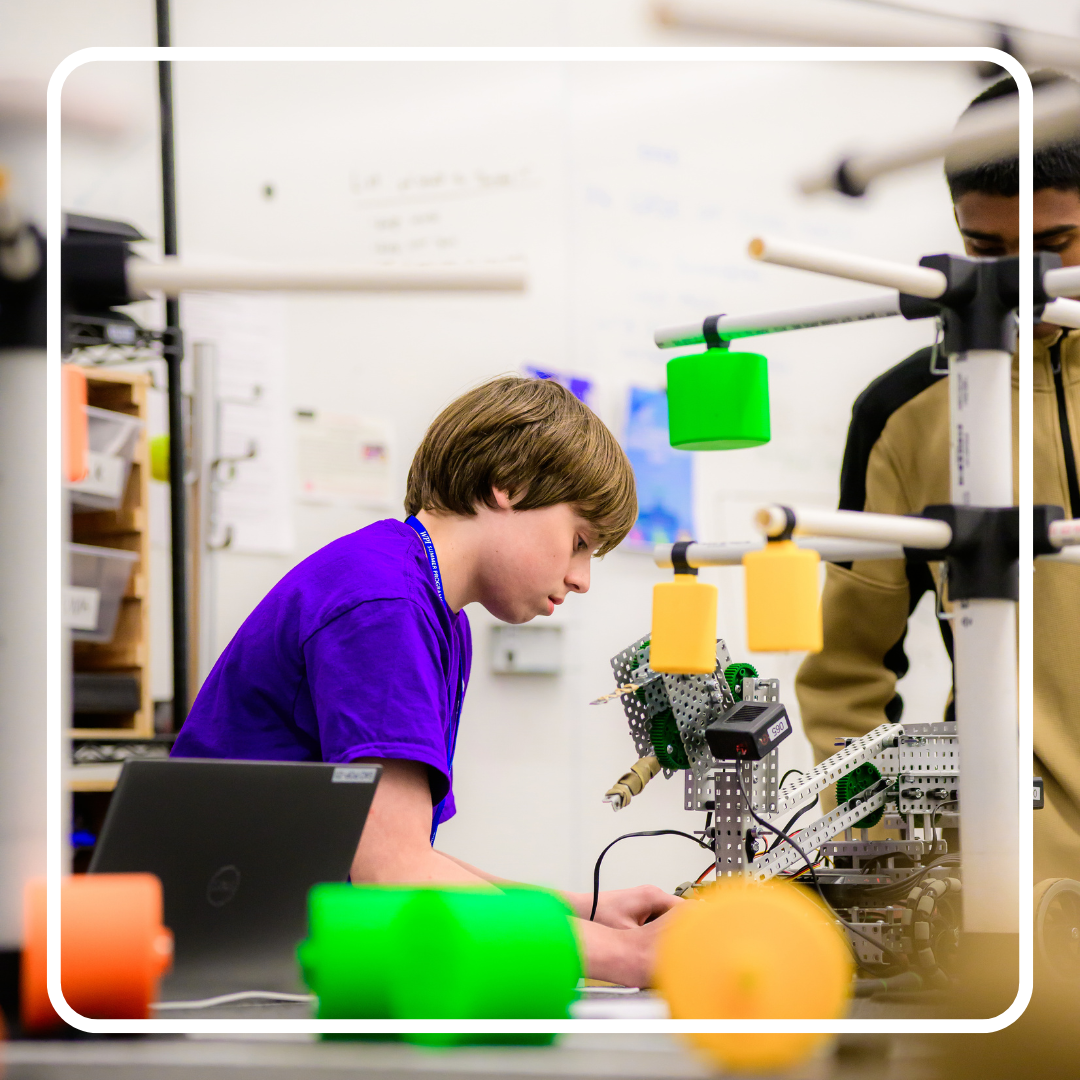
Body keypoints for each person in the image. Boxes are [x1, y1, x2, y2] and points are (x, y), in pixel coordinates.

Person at [172, 375, 679, 986]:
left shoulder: (431, 608)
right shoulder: (386, 603)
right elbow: (392, 870)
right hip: (215, 959)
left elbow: (396, 852)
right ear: (509, 485)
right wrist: (624, 957)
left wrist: (586, 911)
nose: (581, 579)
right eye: (578, 542)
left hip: (262, 944)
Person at [795, 72, 1080, 882]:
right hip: (1008, 897)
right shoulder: (903, 414)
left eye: (1054, 247)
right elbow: (846, 673)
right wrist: (884, 860)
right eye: (986, 251)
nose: (1018, 286)